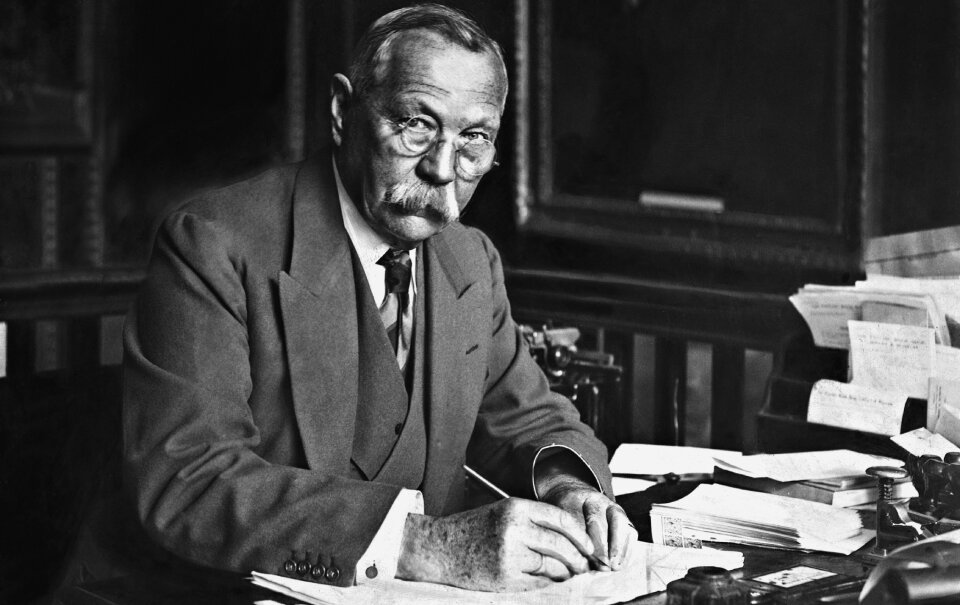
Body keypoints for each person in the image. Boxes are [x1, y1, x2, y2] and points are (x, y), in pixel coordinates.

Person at [122, 3, 636, 593]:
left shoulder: (470, 260)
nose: (442, 169)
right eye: (416, 124)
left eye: (474, 139)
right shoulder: (212, 245)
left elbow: (531, 419)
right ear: (343, 111)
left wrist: (571, 489)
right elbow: (190, 479)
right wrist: (419, 544)